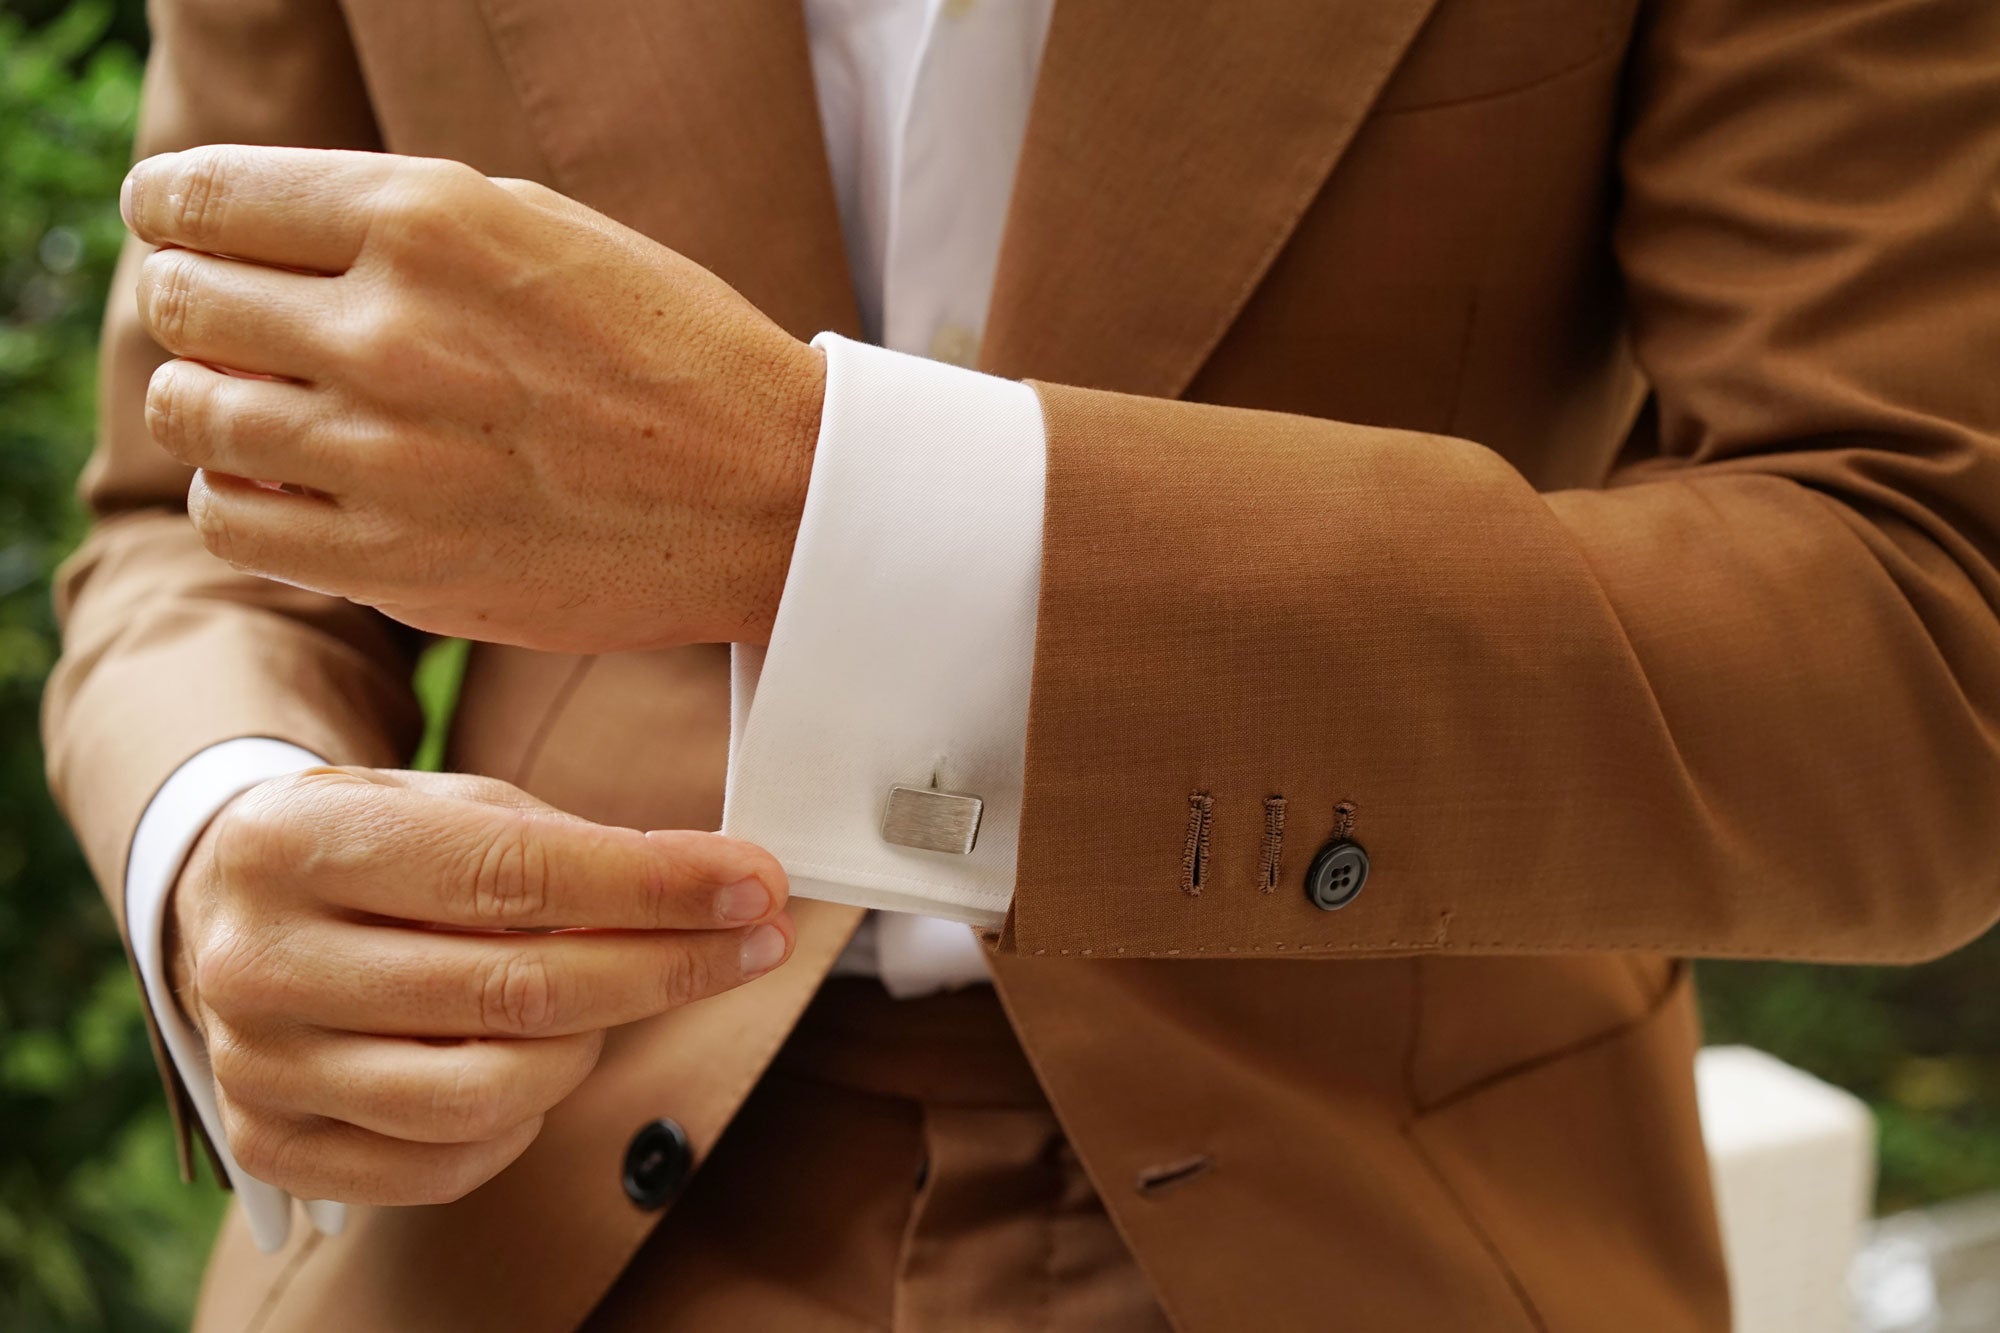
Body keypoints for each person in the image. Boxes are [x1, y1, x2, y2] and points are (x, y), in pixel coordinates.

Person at [43, 0, 2000, 1328]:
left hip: (1379, 1209)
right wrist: (225, 830)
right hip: (515, 1211)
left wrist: (820, 509)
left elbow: (1926, 636)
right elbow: (183, 518)